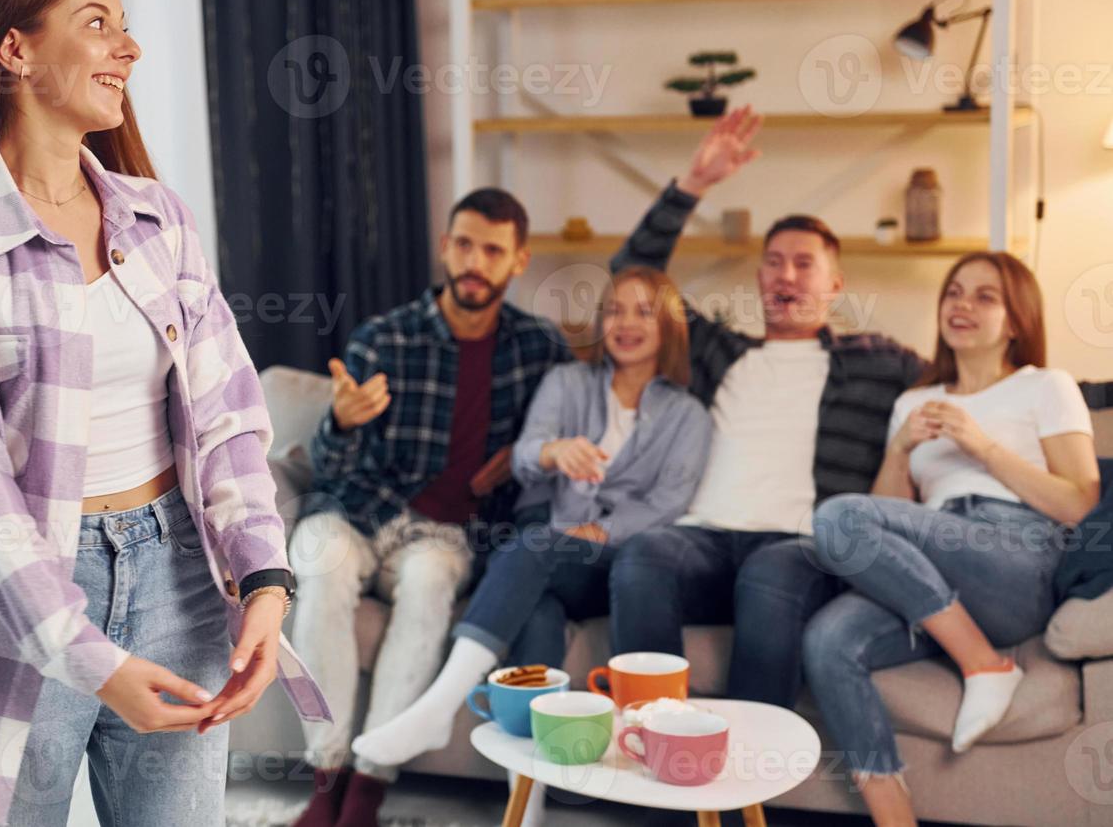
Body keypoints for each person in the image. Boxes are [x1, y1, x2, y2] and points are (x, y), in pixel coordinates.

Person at [0, 0, 326, 827]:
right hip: (18, 606)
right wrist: (90, 659)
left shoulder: (157, 218)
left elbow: (230, 417)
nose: (129, 48)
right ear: (15, 48)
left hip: (180, 580)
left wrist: (266, 579)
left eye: (126, 25)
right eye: (97, 24)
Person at [348, 267, 711, 822]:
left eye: (644, 312)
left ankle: (440, 706)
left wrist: (600, 532)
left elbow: (669, 500)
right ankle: (530, 803)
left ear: (668, 328)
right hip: (551, 561)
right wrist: (553, 452)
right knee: (535, 609)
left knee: (535, 546)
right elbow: (524, 454)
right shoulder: (568, 383)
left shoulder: (687, 415)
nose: (626, 323)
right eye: (615, 310)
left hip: (622, 562)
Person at [608, 107, 925, 708]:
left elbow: (966, 379)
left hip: (801, 549)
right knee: (643, 554)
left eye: (805, 263)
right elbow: (632, 276)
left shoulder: (878, 361)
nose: (787, 274)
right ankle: (655, 757)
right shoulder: (717, 351)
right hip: (702, 540)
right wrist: (693, 185)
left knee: (771, 572)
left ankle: (748, 786)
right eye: (775, 261)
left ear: (835, 283)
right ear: (758, 278)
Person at [287, 189, 573, 827]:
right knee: (320, 561)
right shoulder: (383, 338)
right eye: (464, 244)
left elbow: (566, 434)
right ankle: (326, 774)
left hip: (446, 536)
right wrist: (338, 421)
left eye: (493, 250)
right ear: (446, 245)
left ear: (518, 260)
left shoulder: (540, 350)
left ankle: (369, 784)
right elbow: (330, 468)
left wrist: (532, 451)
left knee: (428, 583)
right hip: (362, 512)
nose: (475, 261)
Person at [804, 252, 1099, 827]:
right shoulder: (913, 403)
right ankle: (896, 820)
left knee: (837, 516)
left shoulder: (1046, 386)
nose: (961, 306)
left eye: (985, 297)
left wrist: (983, 445)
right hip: (935, 577)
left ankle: (984, 664)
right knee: (827, 639)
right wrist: (899, 451)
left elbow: (1080, 503)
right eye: (954, 293)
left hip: (1015, 558)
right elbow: (881, 527)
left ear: (1016, 321)